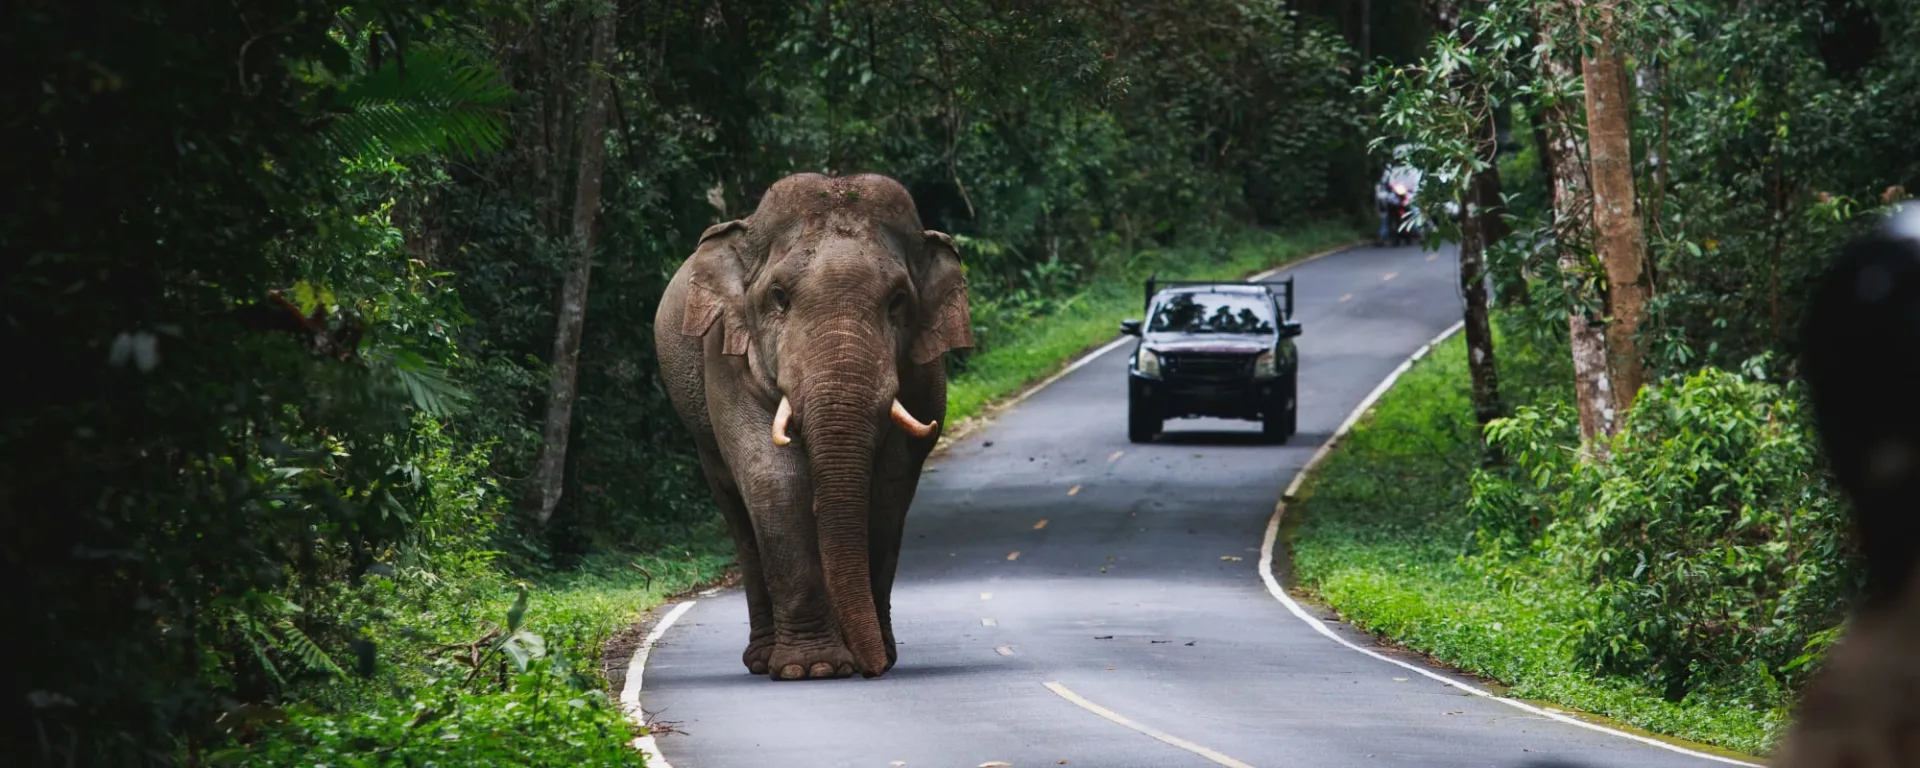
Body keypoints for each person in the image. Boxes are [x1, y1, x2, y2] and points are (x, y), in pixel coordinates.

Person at [1375, 143, 1424, 244]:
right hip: (1394, 196)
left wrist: (1413, 192)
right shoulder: (1390, 169)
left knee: (1415, 211)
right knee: (1386, 213)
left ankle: (1419, 231)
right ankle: (1383, 235)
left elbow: (1417, 184)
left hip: (1410, 196)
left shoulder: (1414, 169)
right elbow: (1384, 183)